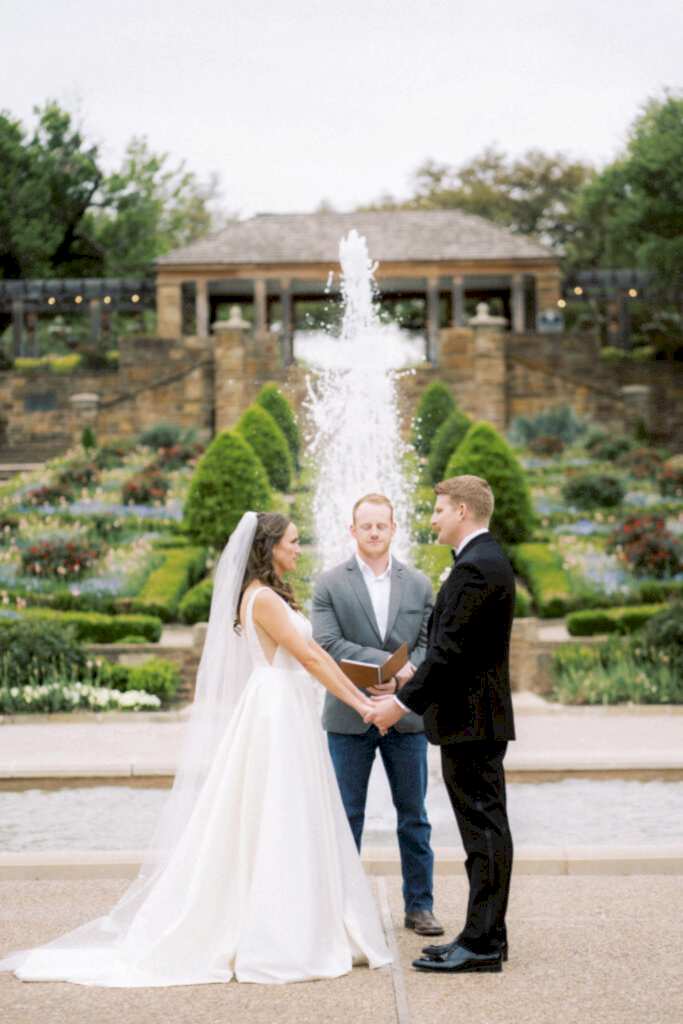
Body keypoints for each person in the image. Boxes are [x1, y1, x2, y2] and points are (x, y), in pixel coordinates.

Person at [0, 512, 391, 986]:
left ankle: (302, 918)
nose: (297, 549)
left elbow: (319, 654)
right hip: (275, 710)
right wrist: (363, 704)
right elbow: (308, 658)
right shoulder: (263, 597)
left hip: (283, 706)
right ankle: (279, 933)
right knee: (276, 812)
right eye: (291, 542)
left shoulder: (269, 594)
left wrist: (360, 699)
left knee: (287, 811)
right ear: (268, 548)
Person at [366, 475, 515, 975]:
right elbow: (454, 648)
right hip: (469, 721)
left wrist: (401, 703)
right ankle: (483, 934)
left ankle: (483, 944)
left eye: (439, 510)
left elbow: (450, 653)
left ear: (464, 512)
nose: (432, 519)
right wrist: (413, 676)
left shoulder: (477, 567)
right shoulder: (478, 562)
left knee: (484, 833)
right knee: (482, 832)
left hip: (472, 722)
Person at [312, 493, 443, 938]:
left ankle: (420, 906)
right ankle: (341, 907)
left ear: (393, 528)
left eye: (380, 526)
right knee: (347, 815)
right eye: (365, 526)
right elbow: (327, 644)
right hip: (350, 716)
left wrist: (404, 679)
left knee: (415, 815)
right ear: (352, 531)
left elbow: (429, 645)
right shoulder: (329, 584)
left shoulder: (419, 584)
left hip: (406, 717)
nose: (373, 533)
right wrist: (388, 666)